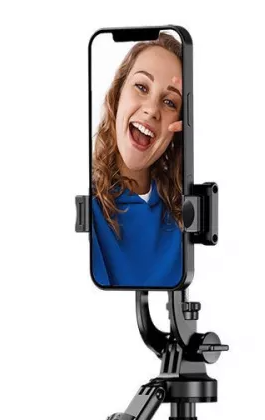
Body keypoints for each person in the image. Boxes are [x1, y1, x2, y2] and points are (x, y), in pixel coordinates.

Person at [91, 34, 184, 288]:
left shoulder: (184, 213)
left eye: (169, 102)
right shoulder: (88, 206)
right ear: (117, 95)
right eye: (142, 87)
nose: (152, 110)